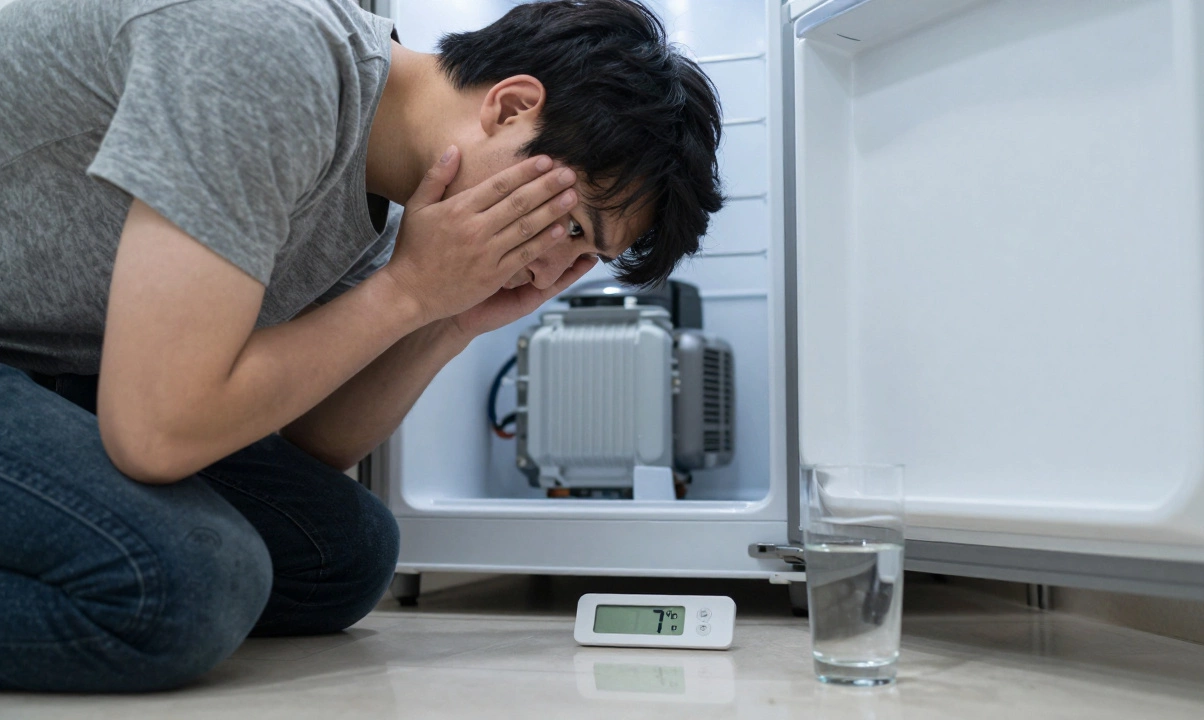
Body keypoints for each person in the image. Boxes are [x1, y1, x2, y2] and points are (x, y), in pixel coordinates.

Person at [0, 0, 723, 692]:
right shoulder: (267, 53)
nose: (547, 271)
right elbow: (155, 434)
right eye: (571, 228)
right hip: (57, 370)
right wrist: (407, 291)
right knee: (185, 588)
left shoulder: (384, 199)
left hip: (44, 365)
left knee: (344, 553)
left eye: (582, 259)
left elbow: (309, 445)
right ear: (509, 107)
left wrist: (449, 318)